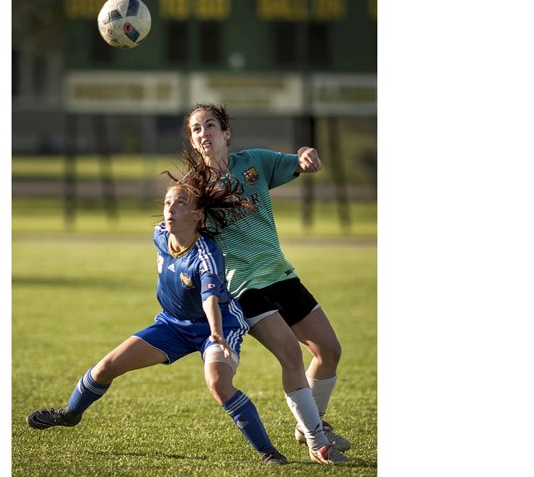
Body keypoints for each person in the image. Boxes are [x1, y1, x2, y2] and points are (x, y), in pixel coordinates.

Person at [26, 160, 289, 466]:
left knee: (218, 383)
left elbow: (209, 298)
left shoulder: (206, 253)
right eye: (167, 202)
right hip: (173, 325)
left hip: (217, 325)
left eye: (180, 202)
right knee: (106, 367)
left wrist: (216, 333)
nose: (171, 208)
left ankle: (268, 452)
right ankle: (70, 414)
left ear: (198, 214)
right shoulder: (159, 235)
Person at [181, 103, 352, 463]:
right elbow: (179, 235)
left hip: (280, 274)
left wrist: (306, 155)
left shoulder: (254, 163)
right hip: (243, 287)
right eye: (196, 129)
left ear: (226, 133)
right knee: (290, 353)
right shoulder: (194, 189)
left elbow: (298, 159)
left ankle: (309, 422)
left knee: (329, 351)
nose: (203, 133)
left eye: (210, 125)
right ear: (193, 141)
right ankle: (318, 440)